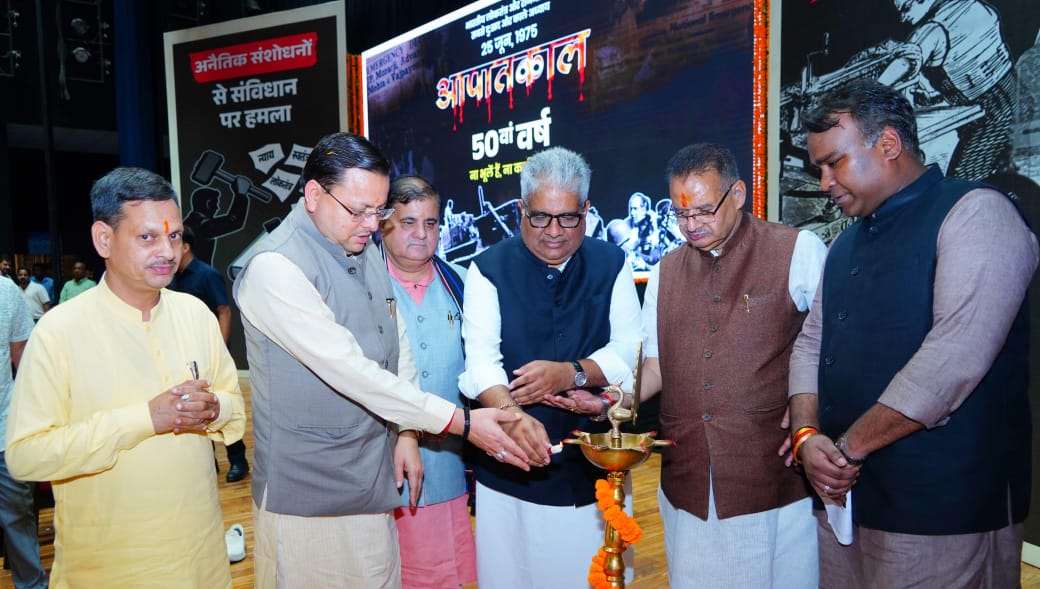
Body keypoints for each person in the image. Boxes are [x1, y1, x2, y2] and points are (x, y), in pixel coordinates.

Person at [232, 132, 532, 589]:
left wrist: (407, 432)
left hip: (371, 478)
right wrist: (462, 423)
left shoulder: (363, 247)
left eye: (379, 211)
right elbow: (352, 372)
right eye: (359, 210)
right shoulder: (275, 268)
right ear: (313, 195)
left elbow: (397, 344)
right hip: (308, 493)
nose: (372, 224)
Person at [788, 79, 1038, 587]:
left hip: (943, 507)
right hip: (846, 500)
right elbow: (811, 344)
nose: (824, 182)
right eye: (819, 168)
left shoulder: (976, 212)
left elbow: (953, 361)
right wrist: (806, 435)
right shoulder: (844, 244)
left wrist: (846, 450)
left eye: (834, 163)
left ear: (888, 144)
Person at [5, 167, 247, 587]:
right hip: (108, 570)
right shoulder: (59, 331)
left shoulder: (195, 315)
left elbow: (235, 408)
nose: (167, 251)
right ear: (104, 239)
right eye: (147, 237)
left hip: (202, 562)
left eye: (174, 236)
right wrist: (144, 419)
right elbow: (27, 454)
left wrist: (213, 408)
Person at [637, 143, 825, 588]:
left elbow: (830, 349)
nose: (691, 225)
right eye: (680, 214)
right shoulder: (665, 271)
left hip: (769, 472)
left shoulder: (797, 250)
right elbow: (655, 366)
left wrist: (810, 414)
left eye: (704, 210)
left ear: (738, 194)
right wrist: (612, 399)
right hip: (688, 472)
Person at [458, 146, 643, 589]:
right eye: (540, 217)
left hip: (593, 465)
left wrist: (572, 372)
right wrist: (512, 414)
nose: (554, 232)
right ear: (522, 209)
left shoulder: (612, 263)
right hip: (511, 470)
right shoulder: (487, 269)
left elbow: (629, 349)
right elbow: (481, 362)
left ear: (587, 210)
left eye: (568, 218)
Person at [379, 175, 477, 589]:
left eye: (431, 223)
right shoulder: (361, 286)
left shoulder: (463, 283)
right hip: (383, 465)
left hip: (449, 464)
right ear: (383, 224)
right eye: (408, 222)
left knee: (448, 571)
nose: (421, 233)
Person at [877, 0, 1015, 180]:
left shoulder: (933, 30)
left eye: (906, 8)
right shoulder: (977, 6)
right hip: (1012, 91)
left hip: (991, 110)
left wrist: (872, 91)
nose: (903, 18)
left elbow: (905, 62)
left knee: (966, 177)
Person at [168, 224, 250, 483]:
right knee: (197, 408)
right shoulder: (172, 278)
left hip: (209, 352)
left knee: (219, 404)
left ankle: (238, 460)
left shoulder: (207, 274)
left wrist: (220, 349)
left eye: (172, 242)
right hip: (184, 353)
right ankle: (209, 461)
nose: (166, 251)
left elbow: (224, 311)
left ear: (185, 247)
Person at [0, 277, 46, 589]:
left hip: (5, 428)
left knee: (17, 517)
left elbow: (24, 361)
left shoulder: (6, 292)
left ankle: (32, 585)